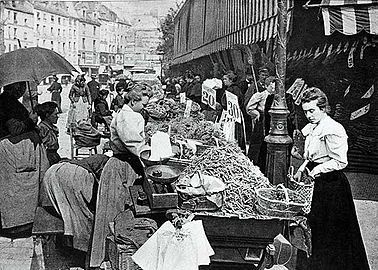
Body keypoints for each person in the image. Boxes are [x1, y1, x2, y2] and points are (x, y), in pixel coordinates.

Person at [294, 87, 369, 270]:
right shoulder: (313, 127)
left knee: (331, 231)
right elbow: (310, 157)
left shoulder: (333, 129)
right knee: (314, 227)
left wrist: (315, 171)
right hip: (317, 181)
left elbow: (340, 161)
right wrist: (303, 168)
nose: (309, 115)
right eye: (306, 111)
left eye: (312, 110)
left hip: (331, 185)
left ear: (323, 108)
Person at [90, 87, 149, 267]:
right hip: (121, 166)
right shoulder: (129, 116)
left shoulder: (129, 114)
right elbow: (133, 143)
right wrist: (153, 153)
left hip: (124, 163)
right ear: (133, 102)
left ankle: (109, 257)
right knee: (114, 213)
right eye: (142, 104)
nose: (144, 108)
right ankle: (106, 259)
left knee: (115, 211)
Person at [0, 81, 49, 235]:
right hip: (14, 152)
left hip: (18, 152)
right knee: (15, 188)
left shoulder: (10, 101)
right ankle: (15, 225)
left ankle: (18, 222)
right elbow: (15, 128)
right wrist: (31, 121)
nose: (22, 89)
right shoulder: (6, 102)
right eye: (20, 86)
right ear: (14, 87)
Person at [42, 154, 109, 252]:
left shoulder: (97, 159)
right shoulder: (108, 163)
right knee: (83, 215)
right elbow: (95, 197)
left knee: (66, 210)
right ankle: (83, 248)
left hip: (53, 171)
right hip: (74, 174)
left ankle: (67, 244)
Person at [246, 76, 276, 167]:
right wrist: (257, 113)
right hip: (262, 121)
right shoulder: (260, 95)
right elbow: (249, 108)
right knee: (259, 142)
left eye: (275, 87)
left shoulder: (276, 96)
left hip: (271, 120)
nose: (273, 89)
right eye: (272, 87)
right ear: (266, 86)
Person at [221, 71, 246, 151]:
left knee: (231, 131)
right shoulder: (237, 89)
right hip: (237, 113)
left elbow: (225, 103)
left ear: (231, 80)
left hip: (231, 114)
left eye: (225, 79)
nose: (224, 81)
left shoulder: (230, 90)